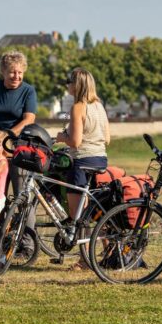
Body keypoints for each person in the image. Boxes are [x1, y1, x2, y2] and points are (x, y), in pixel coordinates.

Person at [0, 51, 38, 253]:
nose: (17, 77)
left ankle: (27, 245)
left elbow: (29, 119)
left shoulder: (28, 91)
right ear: (3, 72)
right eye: (12, 72)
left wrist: (7, 135)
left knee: (22, 197)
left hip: (18, 152)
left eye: (20, 73)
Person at [55, 67, 110, 220]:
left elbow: (75, 142)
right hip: (100, 160)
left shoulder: (78, 108)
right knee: (96, 210)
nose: (67, 85)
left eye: (69, 82)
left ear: (76, 85)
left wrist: (61, 137)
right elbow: (107, 138)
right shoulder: (99, 106)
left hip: (81, 161)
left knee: (76, 215)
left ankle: (80, 240)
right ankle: (101, 241)